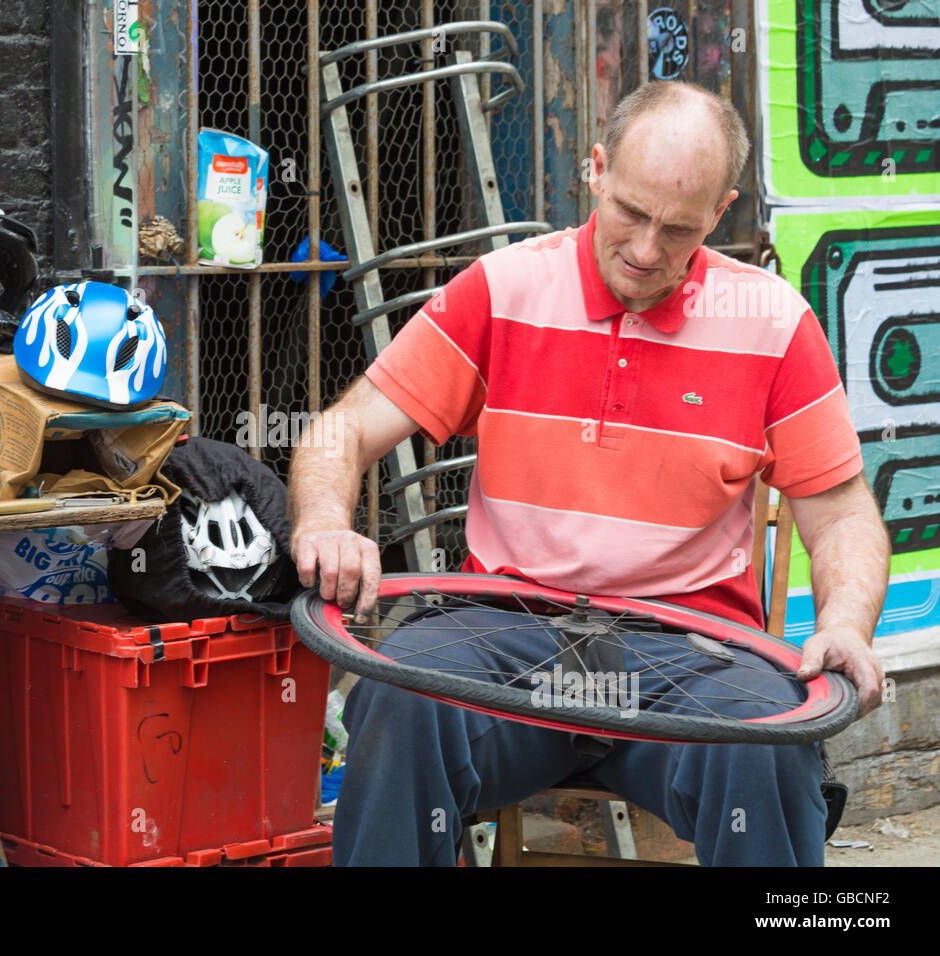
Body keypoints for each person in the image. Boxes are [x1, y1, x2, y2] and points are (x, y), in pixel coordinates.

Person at [287, 80, 890, 866]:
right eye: (631, 213)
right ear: (595, 170)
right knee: (398, 702)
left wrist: (846, 624)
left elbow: (842, 515)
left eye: (677, 229)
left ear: (721, 211)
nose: (645, 252)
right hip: (505, 632)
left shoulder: (774, 323)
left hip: (692, 655)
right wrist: (326, 523)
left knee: (767, 753)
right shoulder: (505, 289)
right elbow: (344, 426)